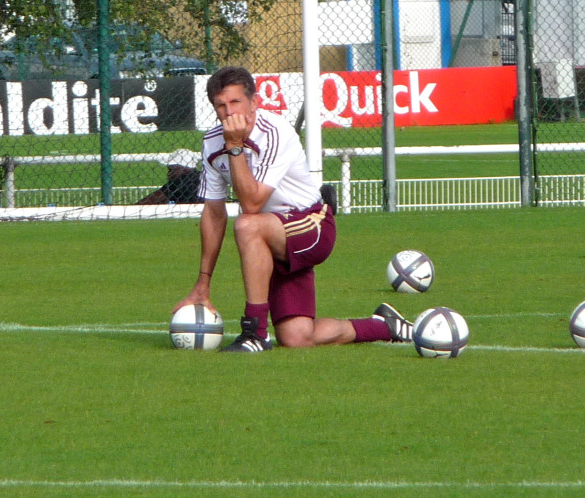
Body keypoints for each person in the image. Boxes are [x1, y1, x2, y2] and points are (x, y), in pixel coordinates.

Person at [173, 65, 413, 352]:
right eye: (220, 106)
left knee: (247, 223)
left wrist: (235, 145)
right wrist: (203, 283)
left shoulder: (275, 132)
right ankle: (384, 325)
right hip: (271, 235)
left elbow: (251, 203)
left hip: (312, 225)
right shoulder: (212, 142)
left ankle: (255, 333)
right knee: (298, 336)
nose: (228, 112)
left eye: (235, 102)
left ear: (254, 102)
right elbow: (213, 214)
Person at [136, 148, 202, 205]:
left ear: (184, 168)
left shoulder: (180, 182)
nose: (168, 174)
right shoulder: (202, 177)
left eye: (171, 170)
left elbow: (149, 201)